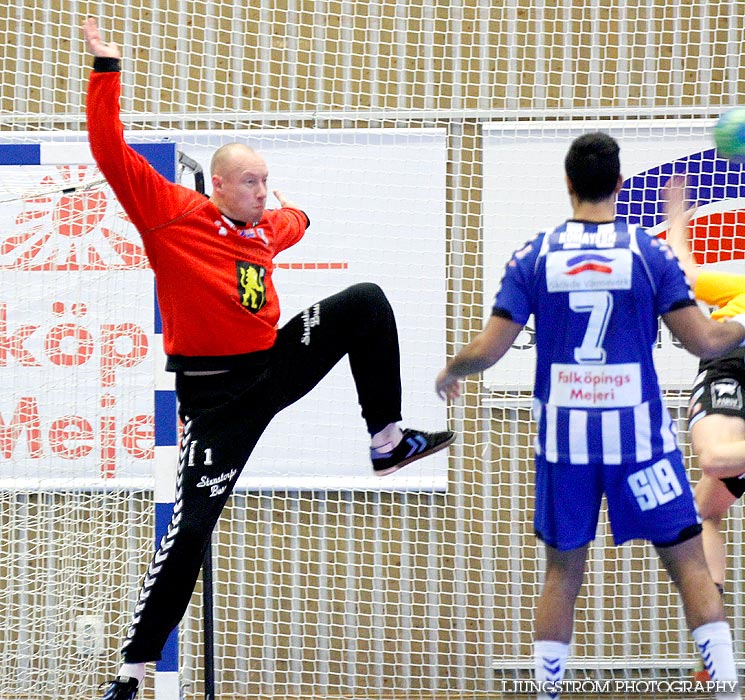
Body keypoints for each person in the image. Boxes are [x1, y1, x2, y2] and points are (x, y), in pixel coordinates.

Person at [82, 18, 454, 700]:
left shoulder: (264, 227)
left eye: (265, 182)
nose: (261, 192)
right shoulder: (171, 213)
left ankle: (387, 440)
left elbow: (295, 220)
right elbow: (109, 149)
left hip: (273, 366)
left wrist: (292, 210)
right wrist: (106, 69)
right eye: (250, 183)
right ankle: (131, 672)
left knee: (364, 301)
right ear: (218, 187)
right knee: (191, 529)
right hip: (217, 401)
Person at [435, 133, 743, 700]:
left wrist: (451, 370)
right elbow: (704, 342)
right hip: (640, 445)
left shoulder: (535, 255)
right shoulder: (648, 255)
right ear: (620, 186)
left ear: (569, 183)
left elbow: (491, 348)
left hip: (564, 448)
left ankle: (548, 695)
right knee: (692, 567)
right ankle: (725, 690)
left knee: (562, 576)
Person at [664, 176, 745, 680]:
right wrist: (677, 217)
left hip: (732, 367)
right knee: (705, 510)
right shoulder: (734, 283)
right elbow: (685, 273)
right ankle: (715, 645)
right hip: (732, 371)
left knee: (715, 459)